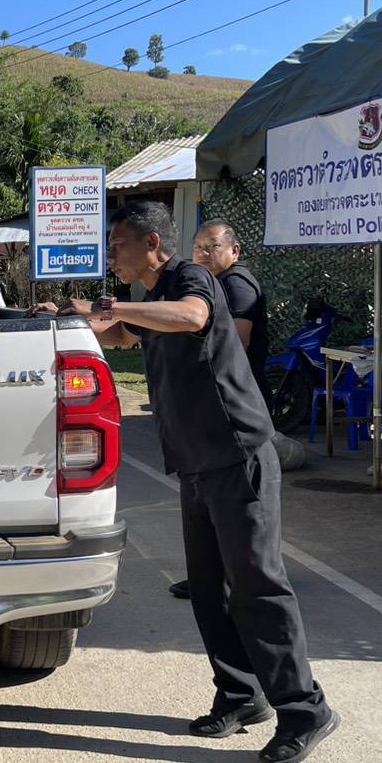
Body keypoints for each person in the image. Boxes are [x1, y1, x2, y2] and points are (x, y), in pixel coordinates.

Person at [60, 200, 338, 763]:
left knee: (258, 586)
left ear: (150, 244)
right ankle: (241, 695)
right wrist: (64, 319)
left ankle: (304, 709)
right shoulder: (151, 297)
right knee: (210, 590)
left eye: (117, 245)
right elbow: (123, 335)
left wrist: (110, 305)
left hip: (237, 454)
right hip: (195, 461)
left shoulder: (191, 278)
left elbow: (191, 317)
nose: (110, 255)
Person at [167, 220, 271, 600]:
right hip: (218, 408)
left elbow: (237, 340)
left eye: (212, 247)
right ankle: (212, 576)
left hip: (239, 408)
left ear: (234, 251)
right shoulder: (207, 284)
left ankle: (244, 580)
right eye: (198, 247)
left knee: (239, 503)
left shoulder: (236, 284)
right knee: (212, 503)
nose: (203, 254)